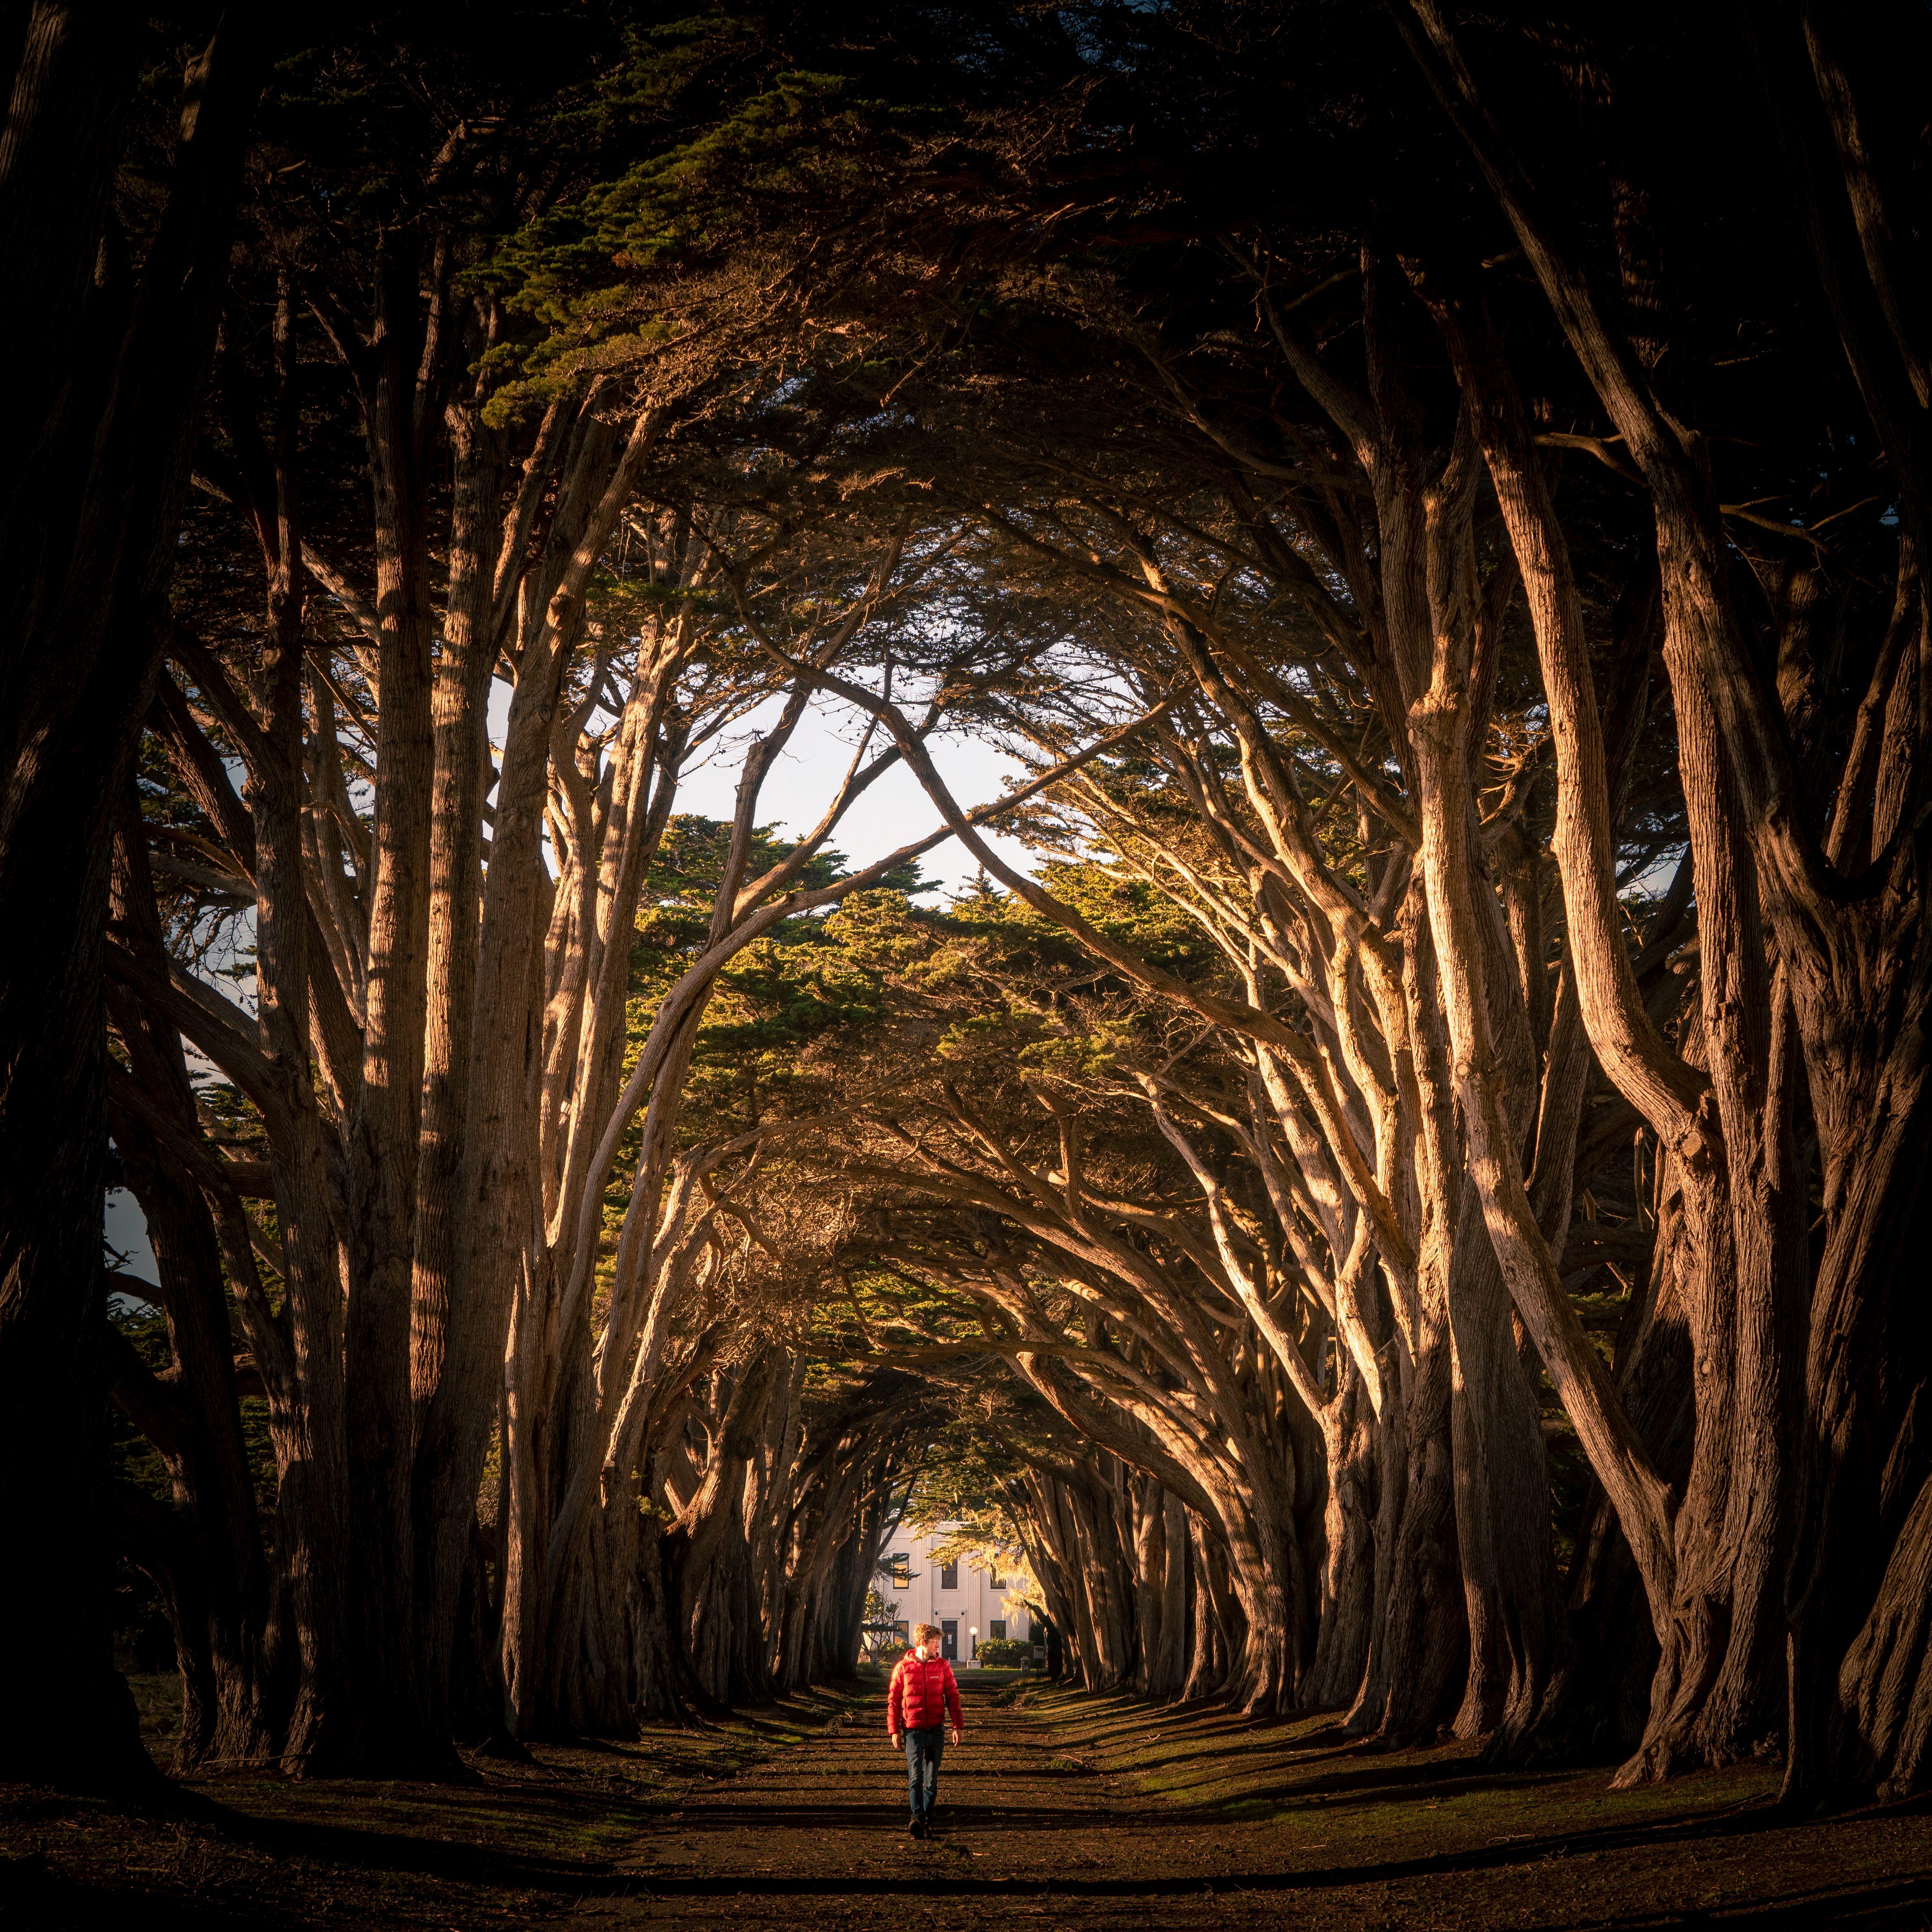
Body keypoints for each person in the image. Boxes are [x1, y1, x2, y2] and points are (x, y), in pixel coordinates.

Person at [886, 1622, 964, 1837]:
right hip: (913, 1732)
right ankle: (917, 1818)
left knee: (931, 1781)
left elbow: (953, 1697)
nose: (938, 1647)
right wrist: (894, 1731)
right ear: (923, 1643)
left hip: (937, 1731)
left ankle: (927, 1821)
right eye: (934, 1643)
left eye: (939, 1642)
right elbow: (894, 1701)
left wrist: (957, 1726)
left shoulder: (943, 1667)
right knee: (915, 1777)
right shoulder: (903, 1668)